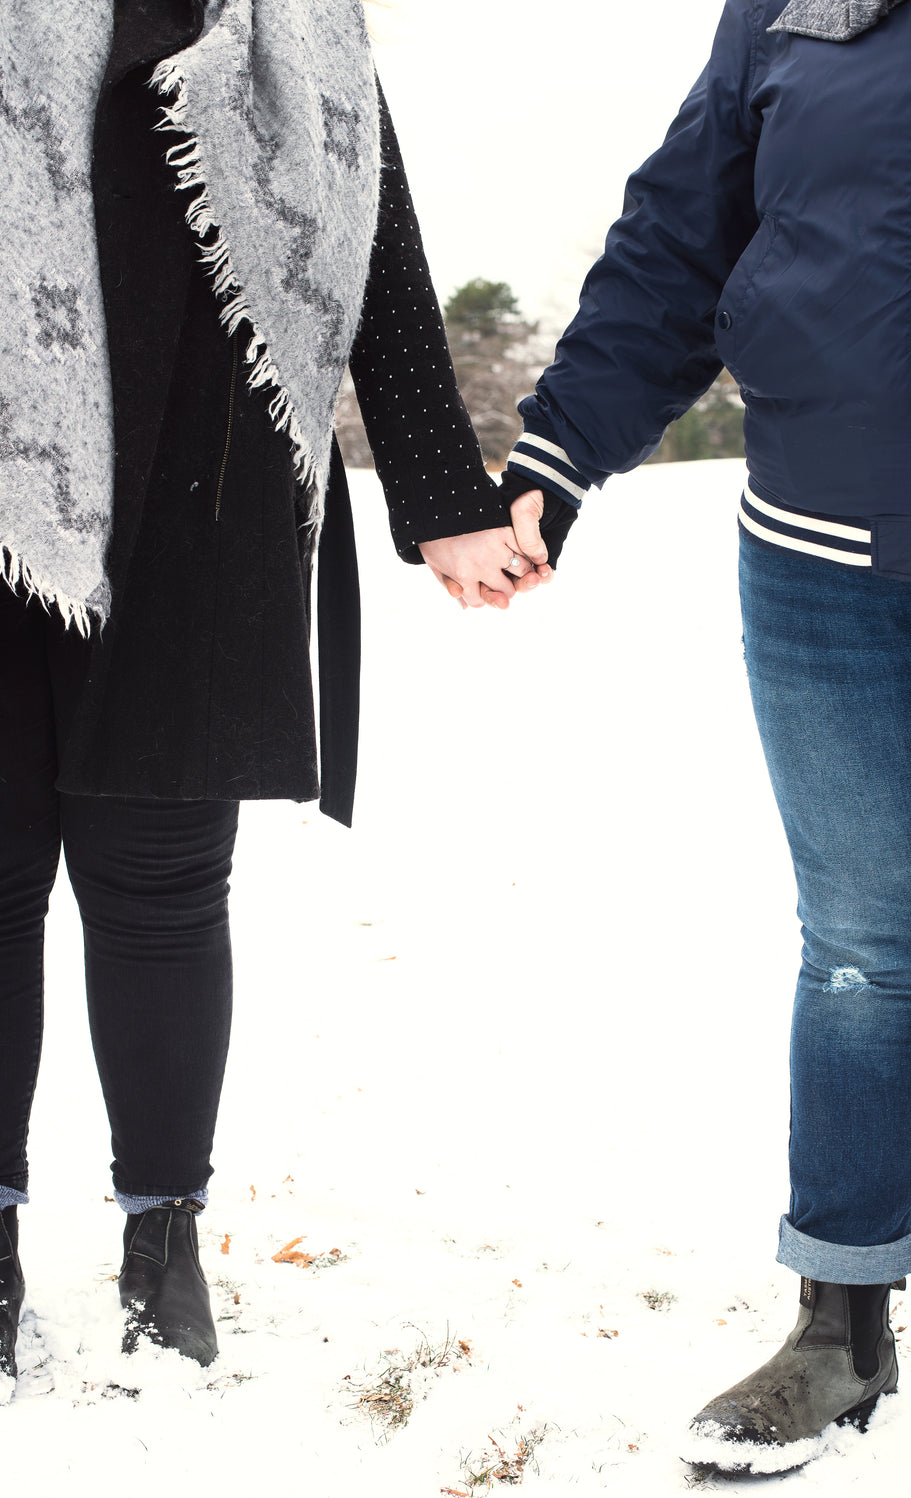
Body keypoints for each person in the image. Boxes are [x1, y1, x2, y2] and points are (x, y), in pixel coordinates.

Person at [0, 0, 559, 1381]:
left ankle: (161, 1228)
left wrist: (441, 493)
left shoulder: (297, 16)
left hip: (213, 490)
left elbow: (371, 221)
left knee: (161, 884)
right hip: (10, 492)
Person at [499, 0, 911, 1474]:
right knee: (860, 947)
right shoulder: (794, 3)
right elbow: (681, 234)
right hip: (820, 564)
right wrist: (557, 453)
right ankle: (840, 1320)